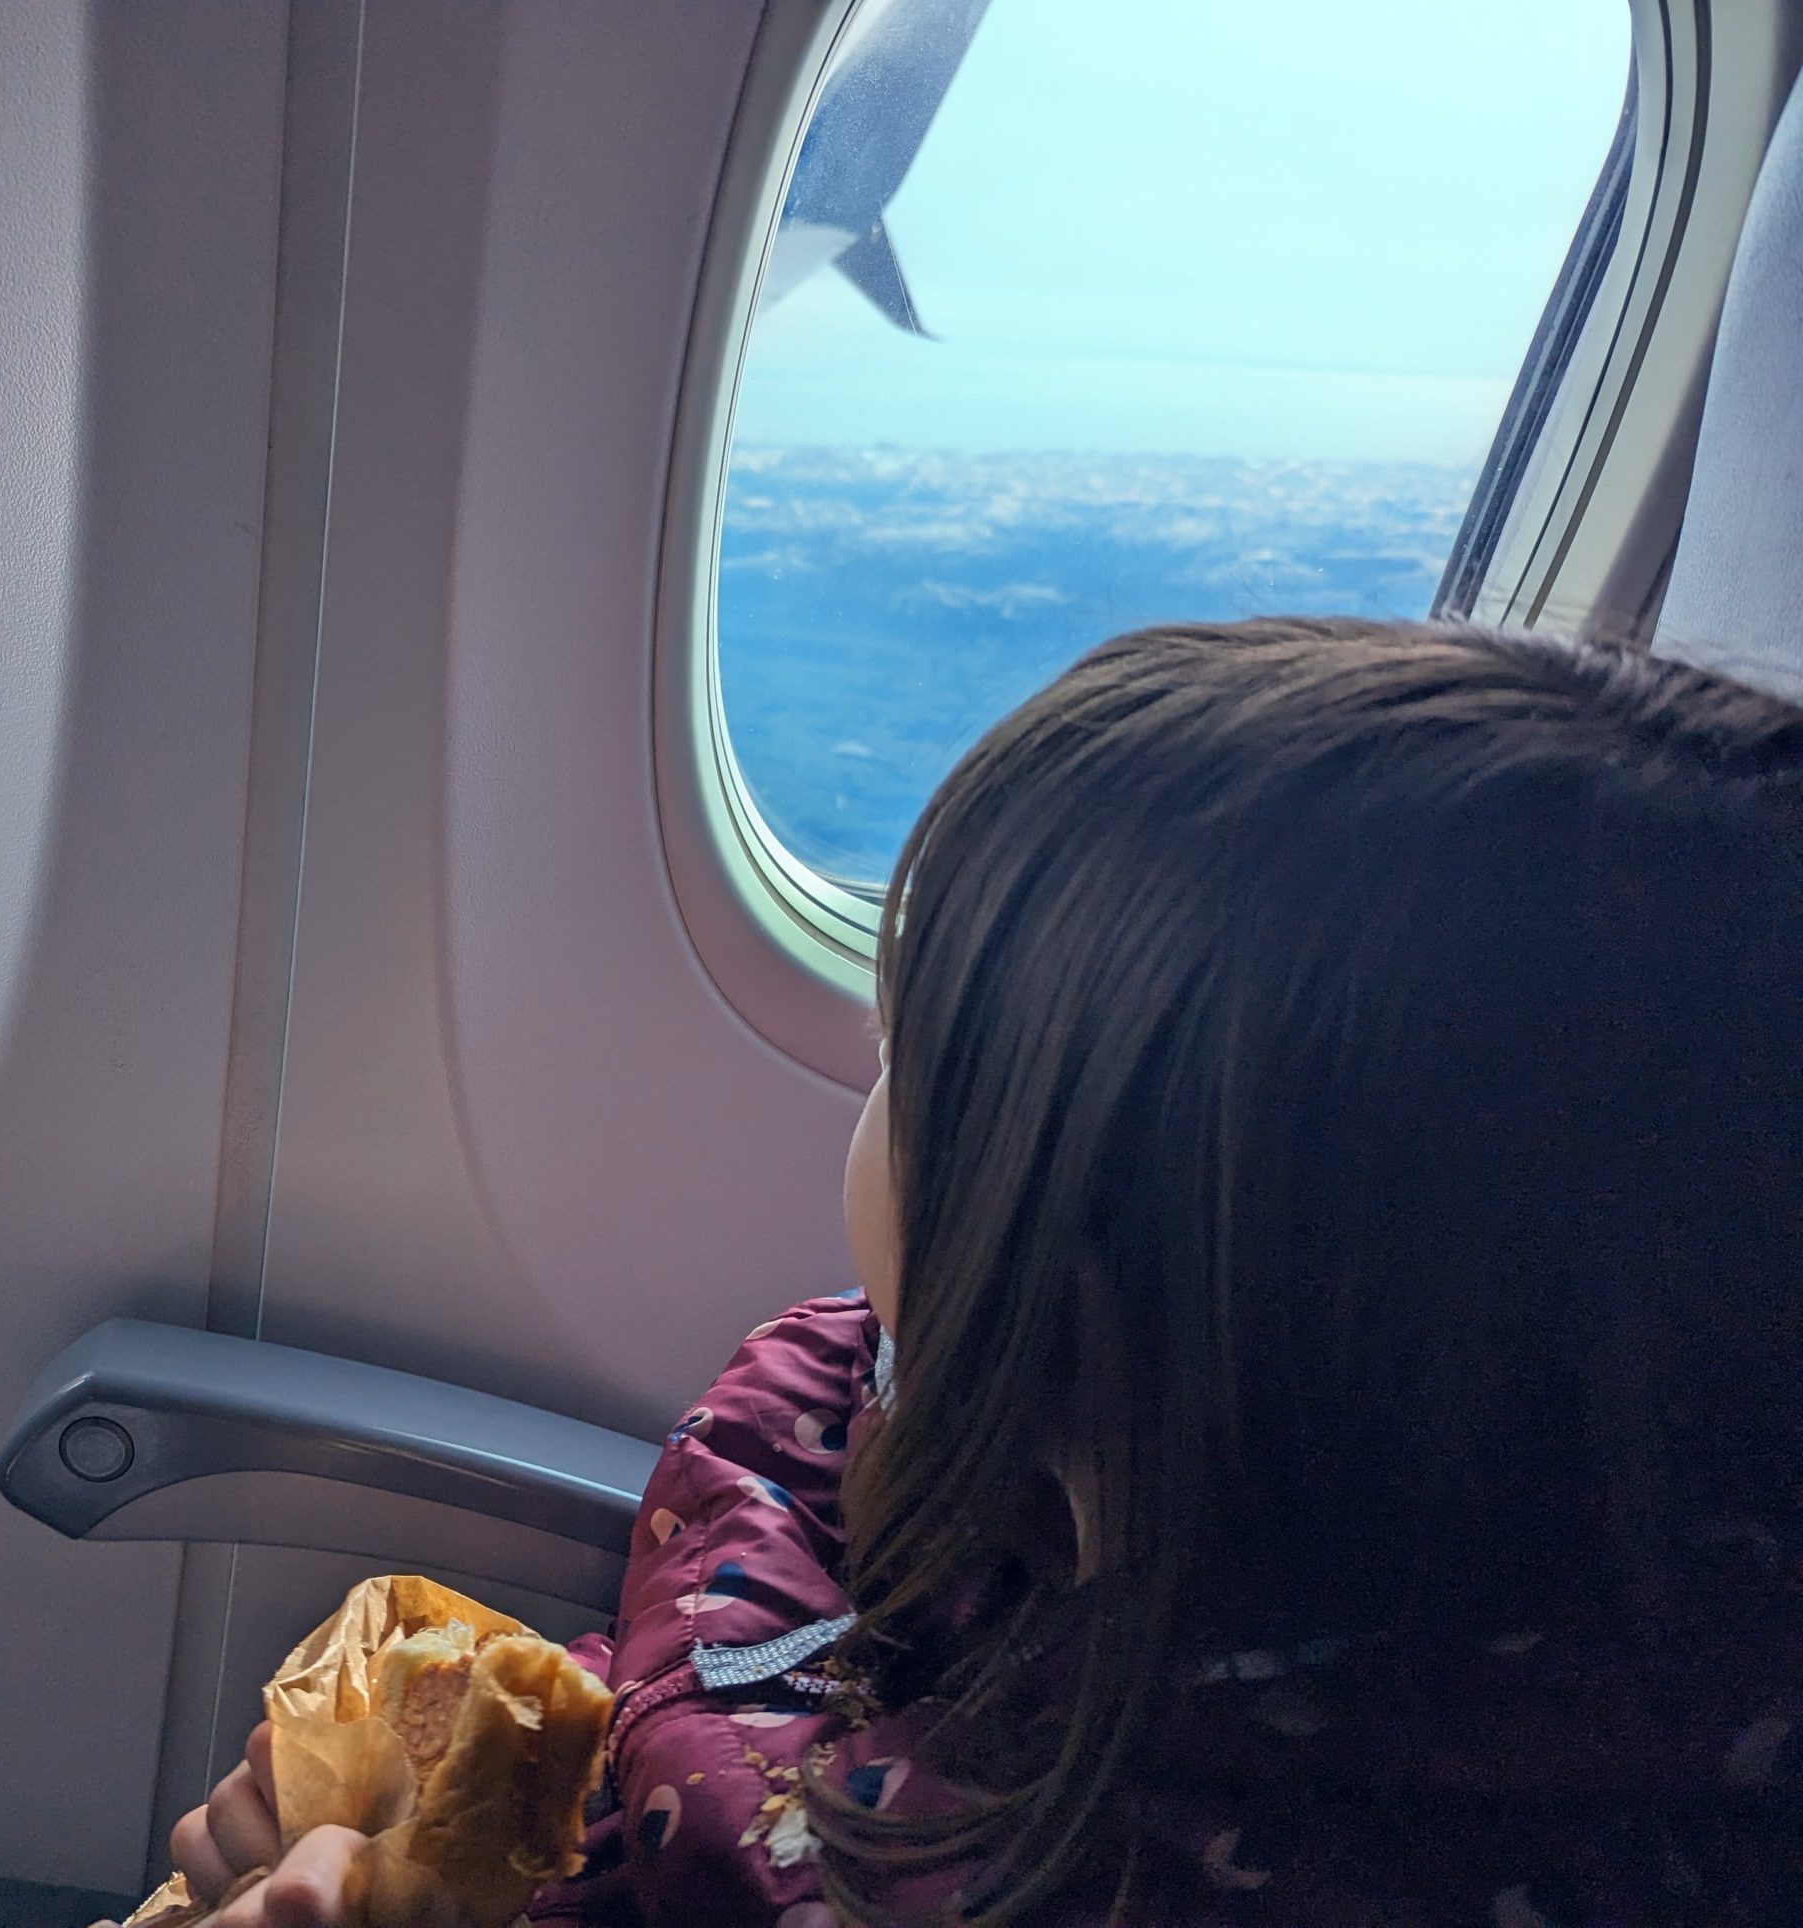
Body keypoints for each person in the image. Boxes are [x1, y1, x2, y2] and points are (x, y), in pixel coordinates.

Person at [177, 618, 1803, 1925]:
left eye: (906, 1057)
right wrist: (461, 1802)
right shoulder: (1086, 1502)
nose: (867, 1084)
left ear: (1079, 1287)